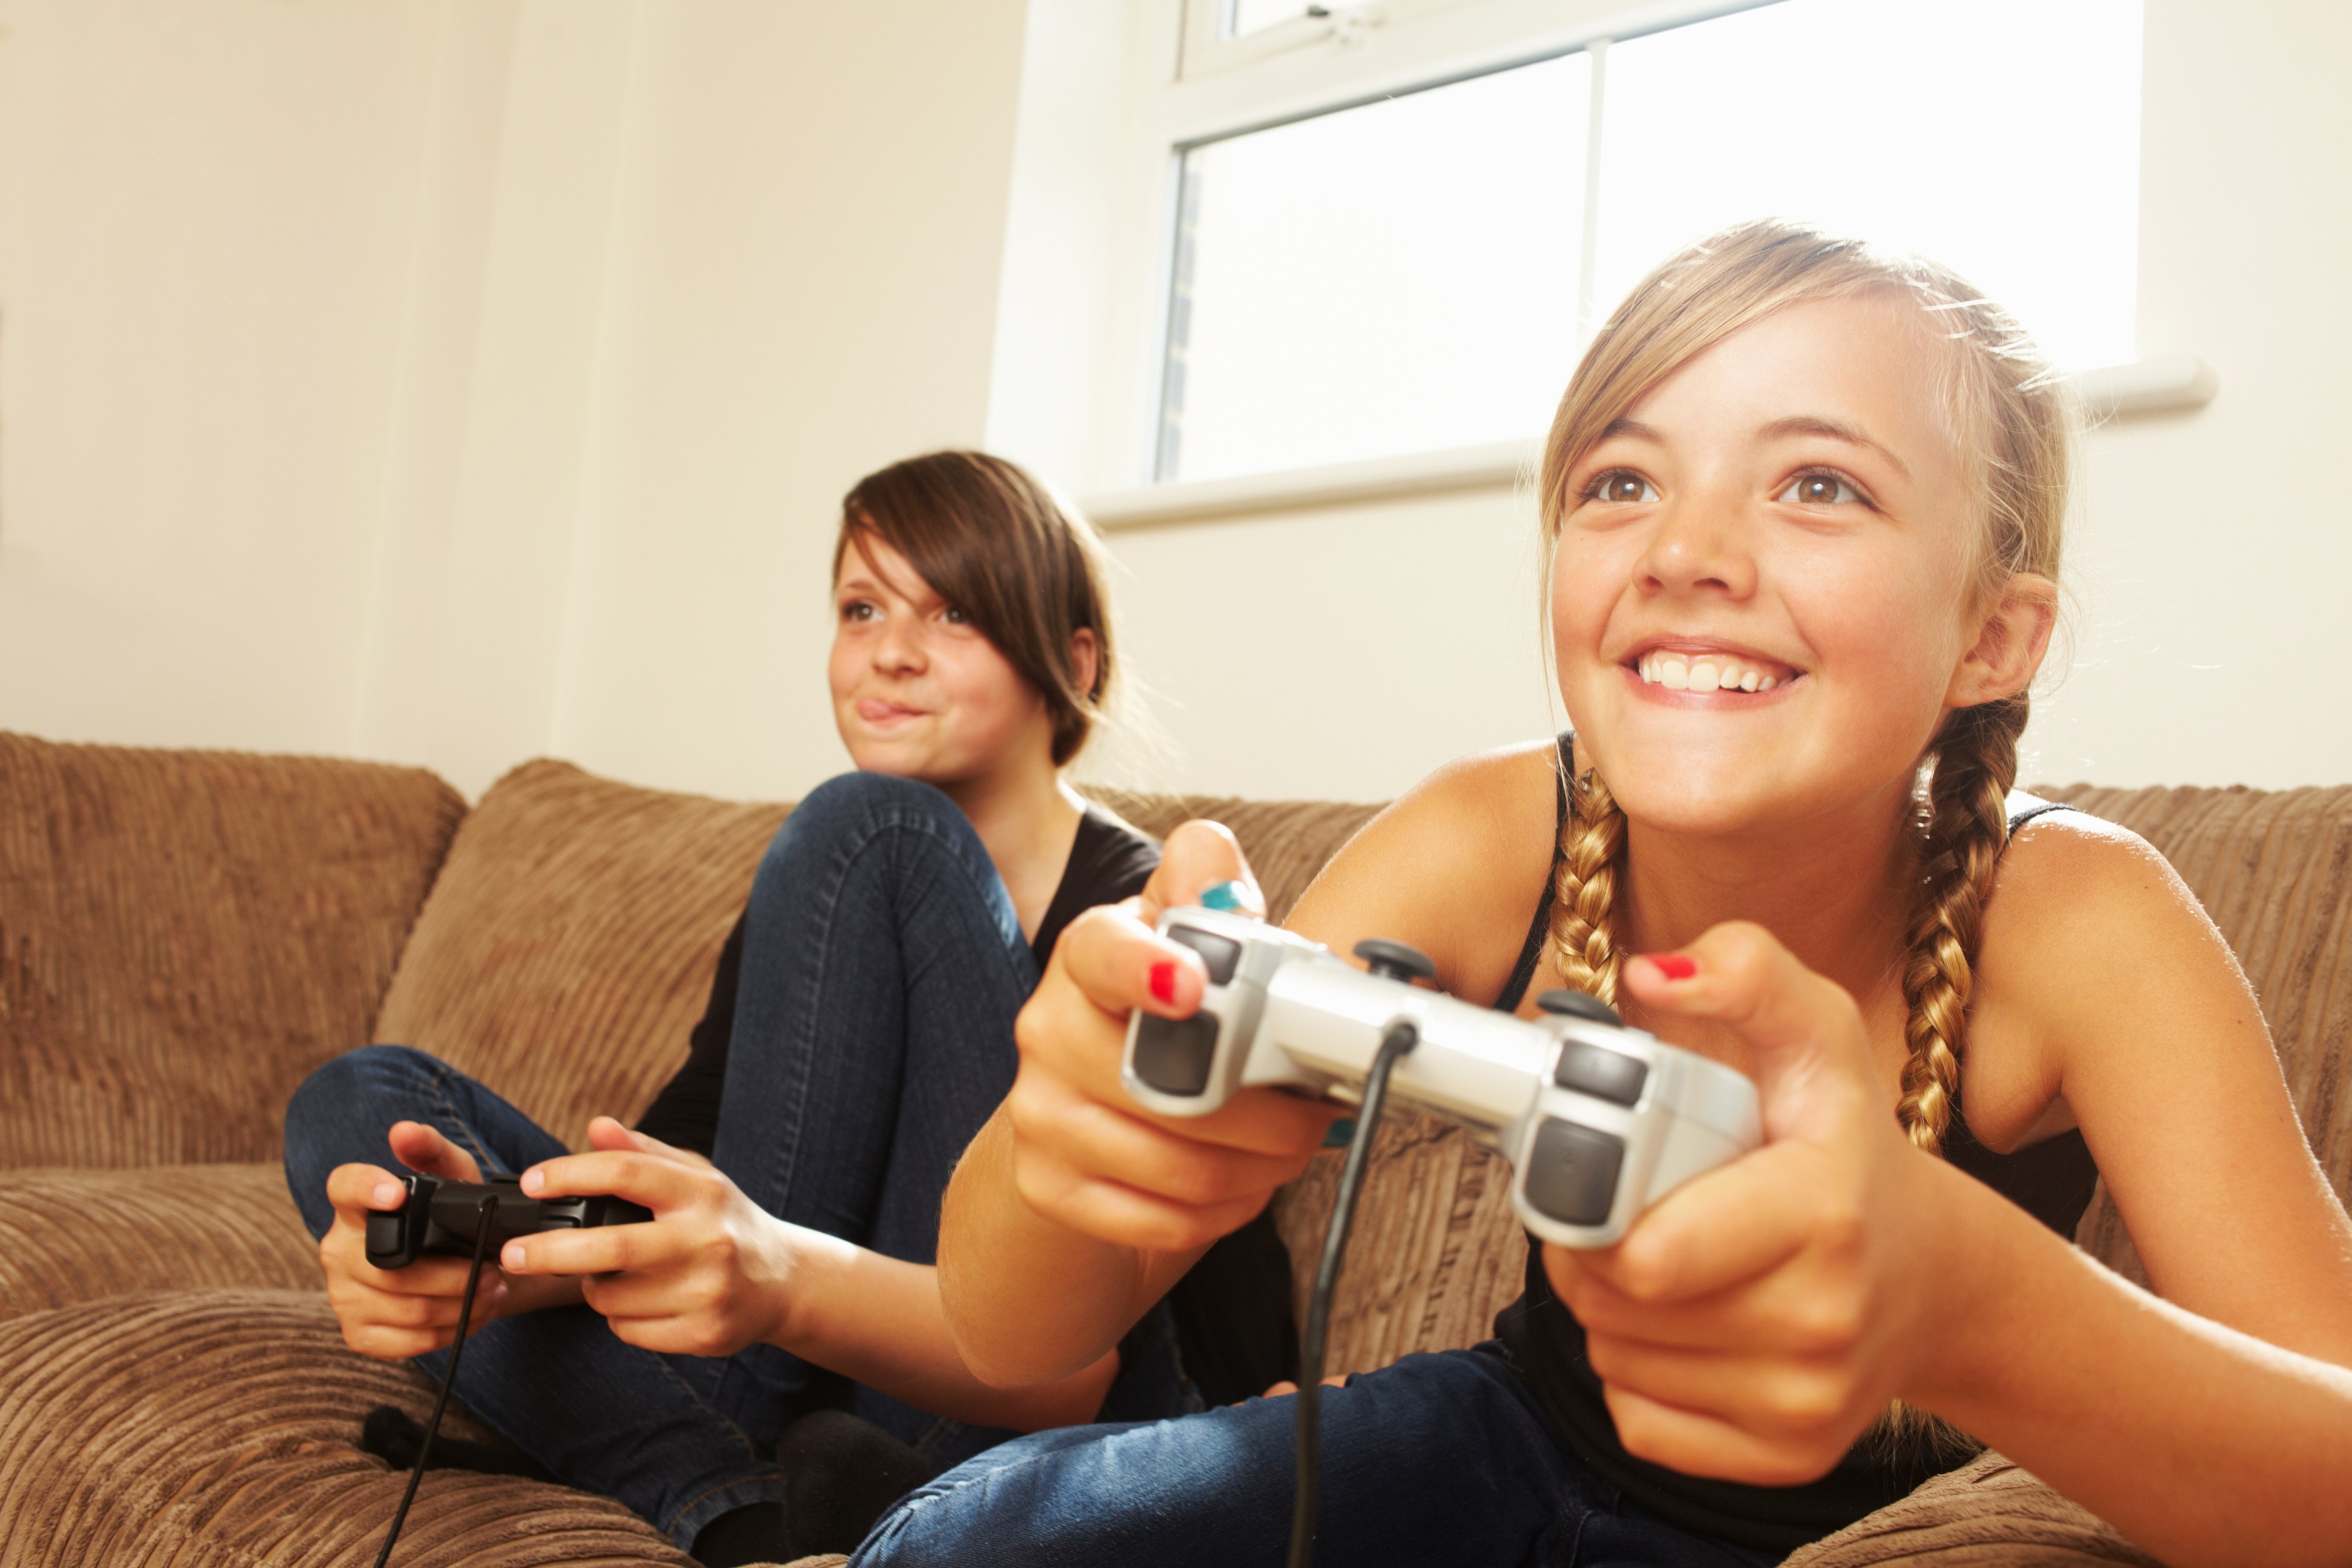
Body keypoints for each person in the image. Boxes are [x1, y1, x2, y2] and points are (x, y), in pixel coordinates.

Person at [877, 221, 2352, 1567]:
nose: (1684, 553)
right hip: (1508, 1443)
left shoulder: (2081, 915)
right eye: (1621, 481)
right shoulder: (1485, 832)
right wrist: (1066, 1139)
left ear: (1990, 634)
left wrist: (1973, 1305)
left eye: (1817, 485)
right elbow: (1015, 1331)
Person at [283, 451, 1294, 1566]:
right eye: (861, 608)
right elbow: (698, 1165)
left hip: (1021, 1388)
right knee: (354, 1100)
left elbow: (1189, 1267)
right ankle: (749, 1504)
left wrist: (1265, 1421)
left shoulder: (1130, 905)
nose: (889, 652)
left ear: (1071, 658)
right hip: (793, 1373)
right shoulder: (831, 891)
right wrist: (504, 1260)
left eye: (951, 611)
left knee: (877, 828)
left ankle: (712, 1453)